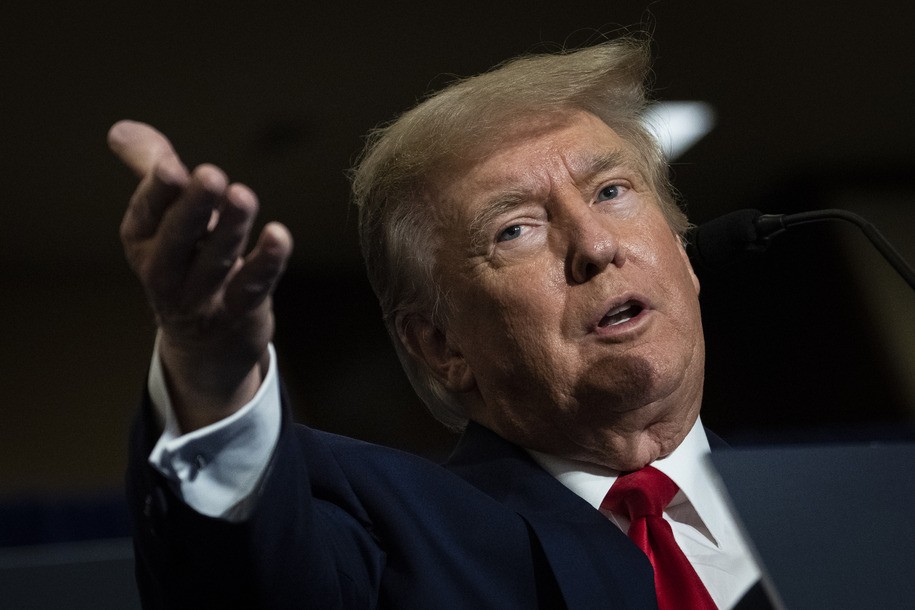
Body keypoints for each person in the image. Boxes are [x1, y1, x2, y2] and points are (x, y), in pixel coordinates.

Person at [112, 37, 770, 609]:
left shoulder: (847, 505)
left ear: (682, 253)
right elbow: (247, 583)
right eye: (514, 229)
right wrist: (209, 371)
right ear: (440, 345)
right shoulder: (383, 541)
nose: (594, 247)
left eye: (610, 192)